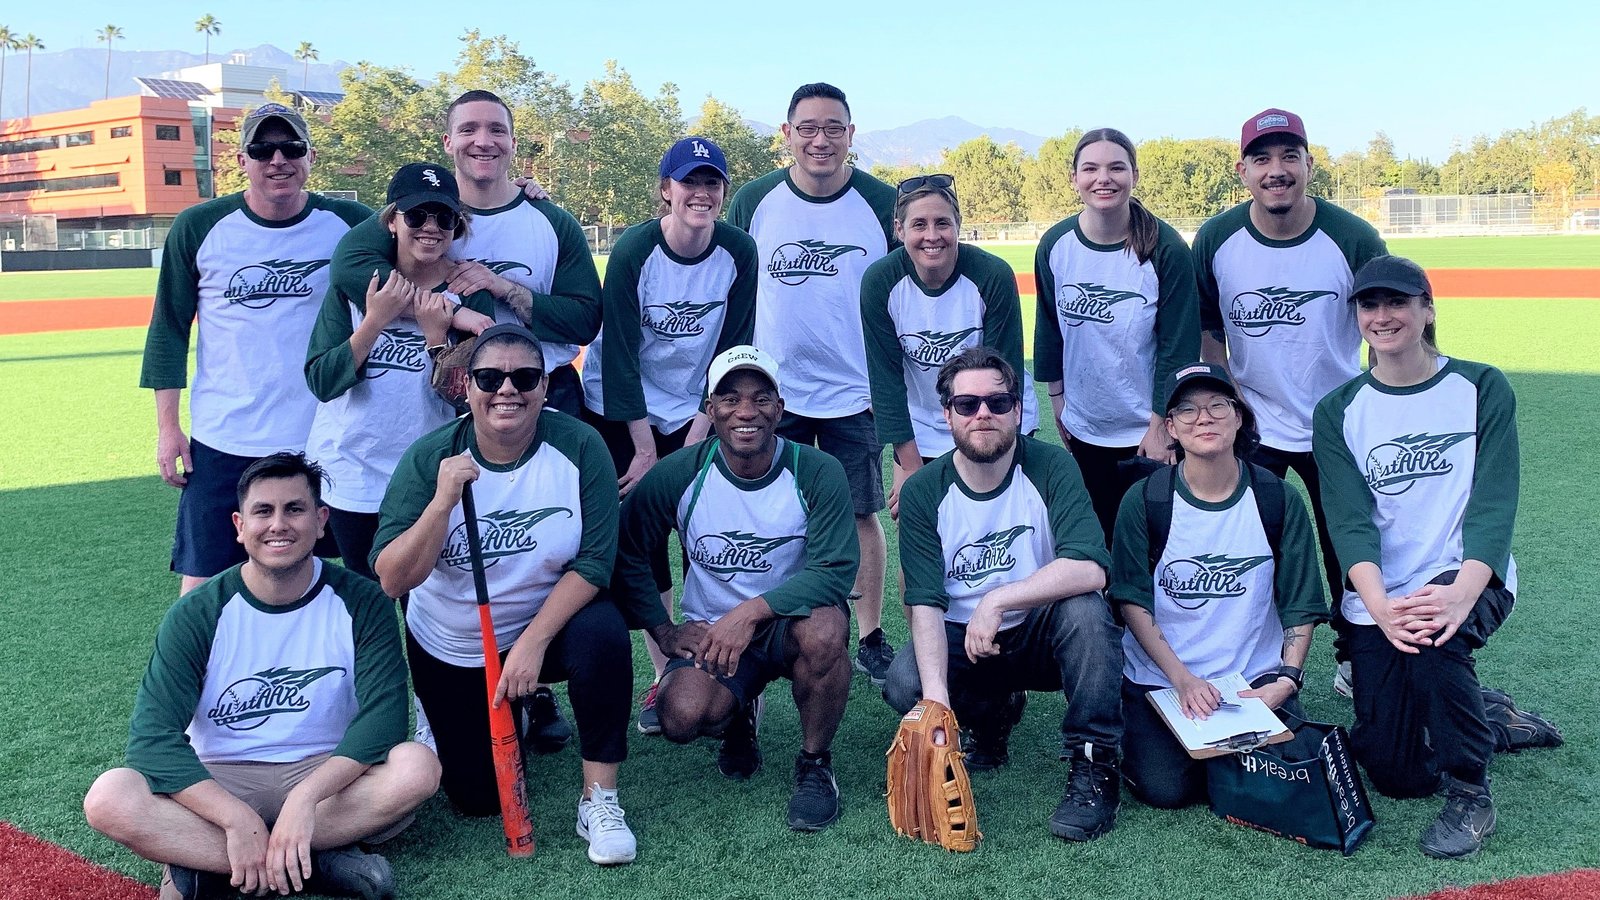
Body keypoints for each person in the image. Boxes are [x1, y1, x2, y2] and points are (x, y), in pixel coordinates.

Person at [83, 453, 439, 900]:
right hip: (220, 778)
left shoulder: (363, 601)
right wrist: (235, 817)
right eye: (263, 511)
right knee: (109, 797)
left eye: (295, 509)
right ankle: (318, 862)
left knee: (417, 767)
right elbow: (151, 739)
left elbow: (383, 721)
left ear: (320, 519)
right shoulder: (198, 612)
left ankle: (216, 866)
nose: (279, 524)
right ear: (239, 524)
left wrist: (305, 799)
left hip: (327, 775)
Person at [1313, 256, 1562, 859]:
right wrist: (1378, 607)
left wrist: (1464, 589)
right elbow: (1349, 523)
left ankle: (1471, 792)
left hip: (1469, 573)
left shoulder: (1479, 386)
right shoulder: (1339, 410)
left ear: (1427, 310)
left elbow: (1494, 503)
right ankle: (1487, 718)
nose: (1383, 316)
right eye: (1369, 306)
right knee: (1395, 772)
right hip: (1381, 590)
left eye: (1397, 302)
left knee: (1434, 633)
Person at [370, 323, 636, 866]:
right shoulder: (430, 458)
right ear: (466, 386)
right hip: (454, 642)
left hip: (547, 626)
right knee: (476, 800)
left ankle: (600, 798)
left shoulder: (580, 445)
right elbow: (394, 579)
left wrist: (534, 644)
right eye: (491, 377)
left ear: (544, 387)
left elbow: (595, 563)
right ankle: (453, 708)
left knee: (604, 634)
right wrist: (442, 502)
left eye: (525, 377)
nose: (507, 389)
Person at [882, 348, 1124, 842]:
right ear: (946, 414)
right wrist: (938, 710)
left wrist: (997, 600)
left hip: (1039, 631)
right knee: (906, 682)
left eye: (998, 401)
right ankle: (988, 720)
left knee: (1086, 612)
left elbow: (1091, 567)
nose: (983, 414)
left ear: (1018, 409)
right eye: (967, 404)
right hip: (963, 637)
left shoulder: (1052, 466)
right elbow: (924, 603)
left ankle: (1094, 762)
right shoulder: (926, 489)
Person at [612, 346, 858, 831]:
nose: (746, 411)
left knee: (827, 631)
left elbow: (834, 570)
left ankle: (814, 764)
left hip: (789, 624)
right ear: (710, 411)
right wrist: (663, 630)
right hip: (712, 634)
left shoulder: (815, 470)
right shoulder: (681, 472)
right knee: (680, 717)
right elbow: (628, 549)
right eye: (729, 398)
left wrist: (747, 615)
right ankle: (738, 712)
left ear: (780, 410)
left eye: (761, 398)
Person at [1193, 109, 1387, 696]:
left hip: (1336, 425)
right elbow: (1207, 333)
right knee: (1246, 543)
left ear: (1308, 163)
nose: (1276, 171)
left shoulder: (1351, 237)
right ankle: (1254, 652)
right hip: (1254, 423)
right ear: (1242, 170)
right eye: (1262, 159)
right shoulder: (1217, 238)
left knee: (1347, 546)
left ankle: (1356, 657)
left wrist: (1374, 408)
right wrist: (1232, 405)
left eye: (1288, 157)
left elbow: (1382, 324)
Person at [141, 103, 372, 596]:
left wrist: (525, 191)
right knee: (206, 583)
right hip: (225, 438)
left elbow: (428, 227)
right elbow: (168, 330)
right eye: (261, 149)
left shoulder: (352, 224)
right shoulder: (200, 226)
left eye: (291, 148)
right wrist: (167, 428)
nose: (278, 160)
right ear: (242, 160)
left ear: (310, 155)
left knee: (346, 580)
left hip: (326, 436)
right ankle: (197, 673)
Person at [580, 136, 758, 733]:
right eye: (689, 183)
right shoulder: (636, 247)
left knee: (708, 526)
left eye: (711, 184)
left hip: (693, 407)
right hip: (619, 406)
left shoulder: (738, 250)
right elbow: (624, 352)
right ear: (667, 189)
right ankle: (665, 674)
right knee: (642, 532)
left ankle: (733, 666)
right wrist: (647, 448)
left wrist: (696, 432)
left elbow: (732, 346)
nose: (700, 194)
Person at [727, 82, 899, 684]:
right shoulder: (753, 201)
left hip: (856, 391)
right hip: (777, 392)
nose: (820, 139)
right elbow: (739, 286)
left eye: (834, 128)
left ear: (851, 134)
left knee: (858, 513)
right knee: (773, 516)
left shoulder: (881, 203)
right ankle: (771, 629)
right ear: (787, 133)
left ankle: (873, 633)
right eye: (808, 127)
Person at [1110, 363, 1325, 809]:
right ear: (1169, 427)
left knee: (1286, 777)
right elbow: (1132, 602)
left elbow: (1301, 604)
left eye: (1216, 406)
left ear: (1239, 416)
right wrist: (1183, 680)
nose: (1203, 418)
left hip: (1253, 676)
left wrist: (1288, 677)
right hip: (1164, 679)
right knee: (1167, 791)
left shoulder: (1276, 498)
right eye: (1186, 411)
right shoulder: (1146, 500)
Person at [328, 90, 602, 417]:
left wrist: (503, 288)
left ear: (513, 142)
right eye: (468, 129)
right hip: (450, 389)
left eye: (497, 130)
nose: (483, 141)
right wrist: (450, 312)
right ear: (448, 141)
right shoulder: (417, 213)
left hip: (542, 387)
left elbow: (585, 321)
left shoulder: (553, 221)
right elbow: (348, 265)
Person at [305, 163, 494, 582]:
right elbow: (322, 381)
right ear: (391, 221)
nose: (431, 227)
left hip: (427, 473)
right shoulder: (358, 287)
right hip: (352, 470)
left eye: (444, 217)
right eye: (416, 216)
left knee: (426, 596)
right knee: (366, 598)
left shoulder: (468, 291)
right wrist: (374, 322)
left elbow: (469, 398)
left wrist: (435, 339)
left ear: (457, 227)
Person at [1034, 128, 1199, 544]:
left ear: (1135, 175)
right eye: (1090, 168)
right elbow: (1051, 331)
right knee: (1098, 544)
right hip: (1085, 427)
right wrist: (1058, 404)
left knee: (1153, 547)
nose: (1102, 178)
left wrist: (1161, 425)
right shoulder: (1056, 244)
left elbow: (1179, 346)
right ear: (1074, 178)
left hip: (1147, 431)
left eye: (1115, 167)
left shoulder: (1165, 248)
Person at [860, 172, 1037, 520]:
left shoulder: (991, 274)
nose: (931, 236)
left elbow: (1005, 374)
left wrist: (993, 451)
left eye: (942, 223)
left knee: (993, 528)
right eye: (919, 224)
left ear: (958, 225)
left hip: (993, 415)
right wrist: (911, 469)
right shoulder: (880, 282)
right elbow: (886, 383)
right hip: (922, 426)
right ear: (899, 229)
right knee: (919, 535)